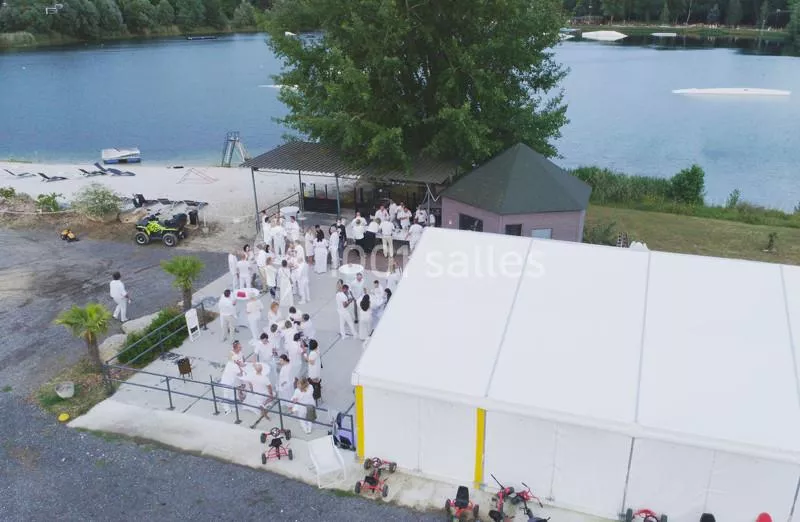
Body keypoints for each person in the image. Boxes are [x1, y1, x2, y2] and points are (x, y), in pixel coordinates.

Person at [304, 339, 322, 405]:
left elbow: (311, 362)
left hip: (313, 373)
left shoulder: (312, 353)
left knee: (313, 385)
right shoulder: (318, 350)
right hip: (317, 371)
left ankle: (314, 396)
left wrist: (305, 357)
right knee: (317, 383)